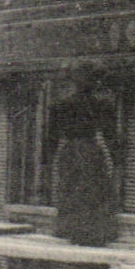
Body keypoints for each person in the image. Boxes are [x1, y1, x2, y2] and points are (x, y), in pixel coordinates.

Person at [51, 86, 119, 247]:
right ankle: (85, 232)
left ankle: (78, 231)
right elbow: (111, 135)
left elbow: (52, 137)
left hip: (76, 152)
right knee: (87, 189)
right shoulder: (100, 105)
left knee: (79, 189)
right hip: (87, 152)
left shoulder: (62, 105)